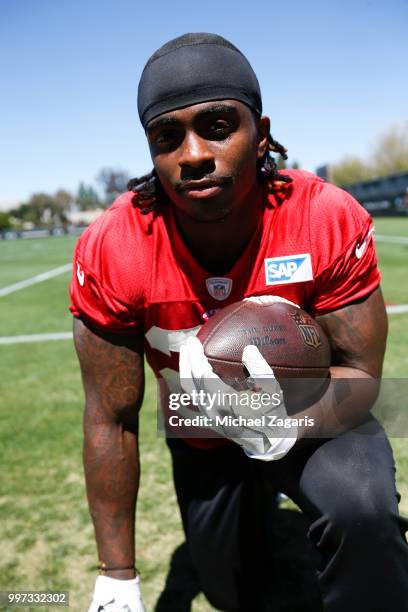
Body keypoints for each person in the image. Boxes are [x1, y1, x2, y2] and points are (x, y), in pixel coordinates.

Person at [70, 33, 408, 612]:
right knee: (233, 592)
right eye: (167, 136)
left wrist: (277, 426)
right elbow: (112, 420)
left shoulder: (321, 216)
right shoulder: (115, 247)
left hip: (311, 410)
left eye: (218, 125)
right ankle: (253, 505)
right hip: (198, 429)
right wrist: (116, 575)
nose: (194, 153)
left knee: (363, 514)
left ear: (262, 133)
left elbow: (361, 374)